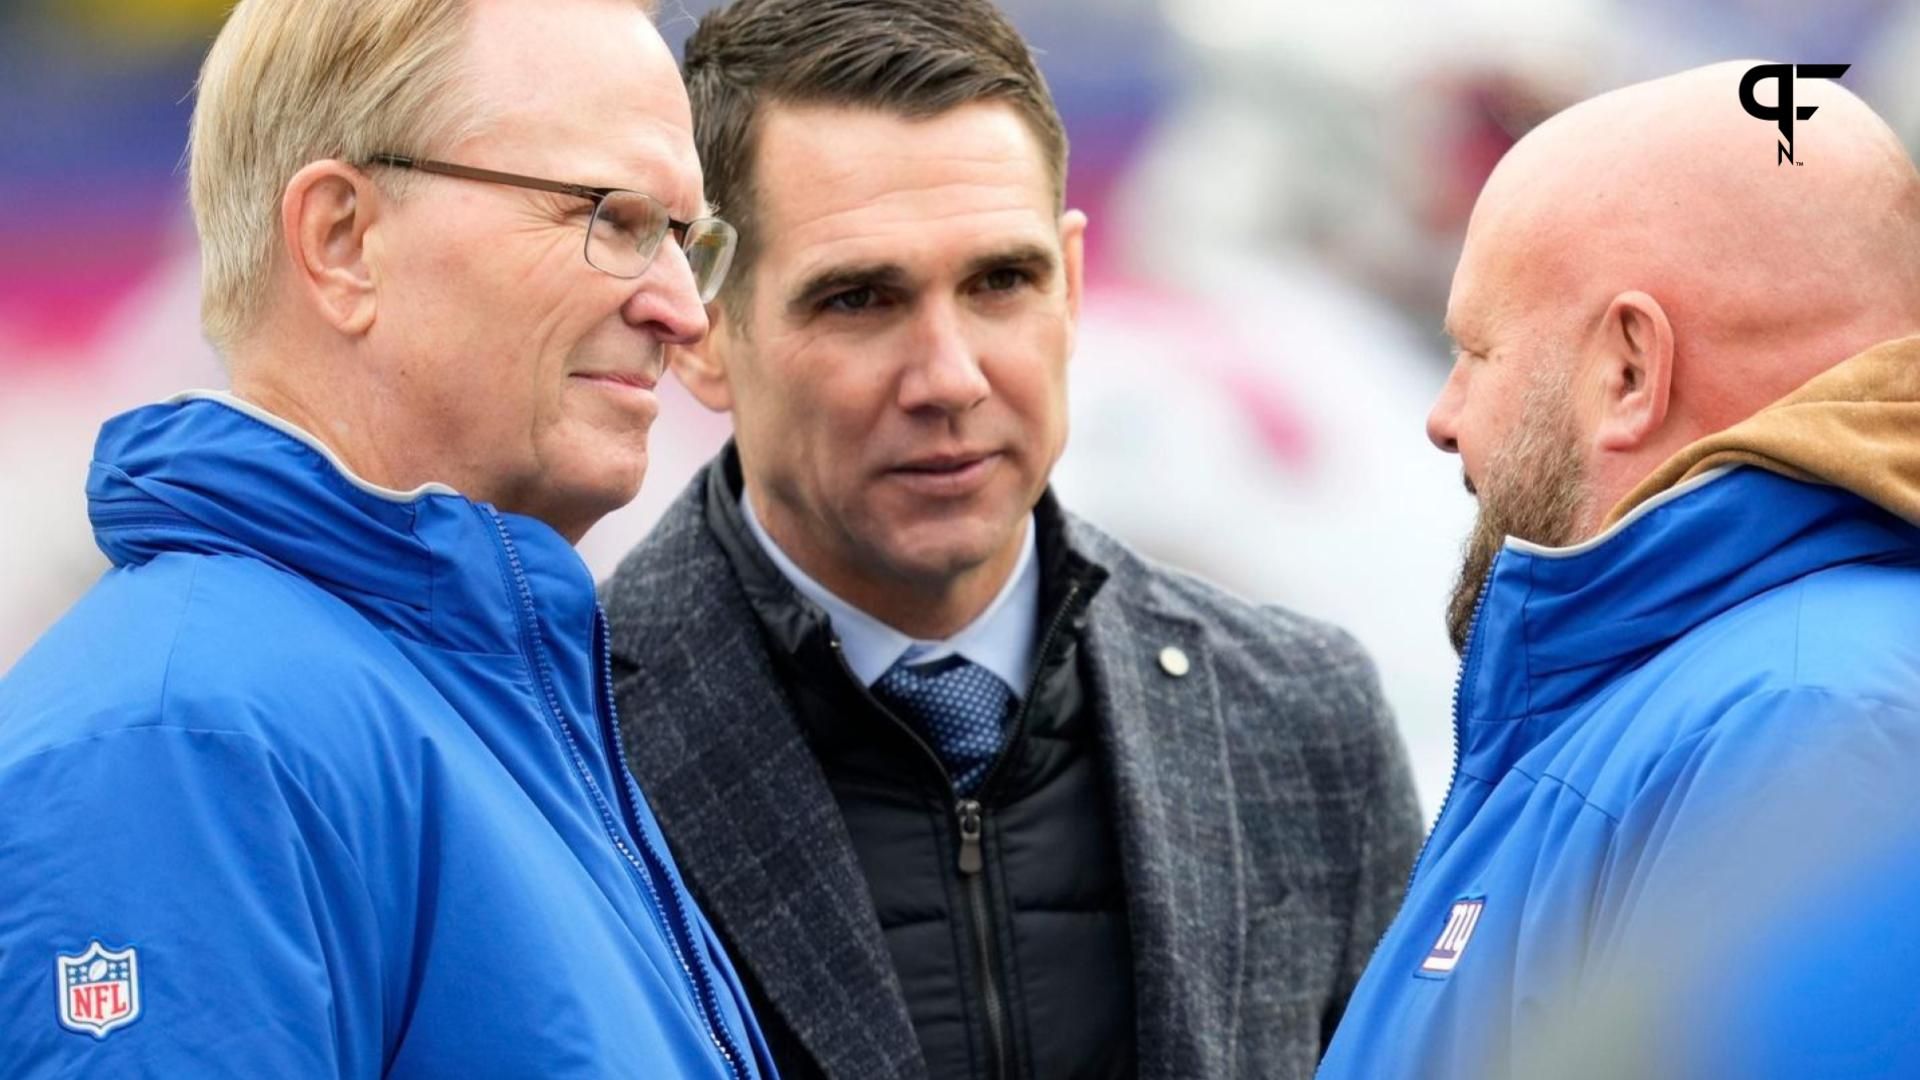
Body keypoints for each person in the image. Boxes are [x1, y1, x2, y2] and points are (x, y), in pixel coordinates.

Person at [597, 2, 1425, 1078]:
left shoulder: (1300, 720)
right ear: (704, 329)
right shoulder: (564, 744)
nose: (950, 376)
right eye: (859, 298)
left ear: (1071, 287)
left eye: (1001, 282)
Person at [0, 0, 774, 1075]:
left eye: (688, 242)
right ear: (342, 239)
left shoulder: (493, 711)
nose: (684, 310)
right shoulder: (183, 745)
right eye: (615, 217)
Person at [1317, 61, 1920, 1078]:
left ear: (1631, 369)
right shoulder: (1721, 705)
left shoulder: (1809, 729)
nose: (1444, 414)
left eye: (1475, 350)